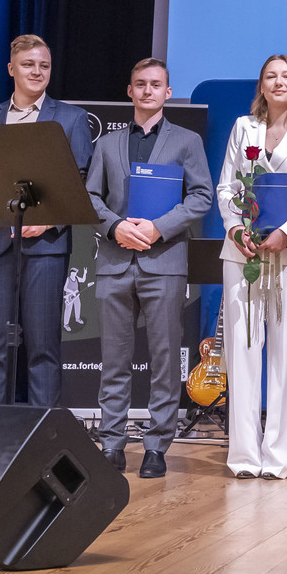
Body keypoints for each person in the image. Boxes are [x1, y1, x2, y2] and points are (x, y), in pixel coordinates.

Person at [86, 58, 213, 477]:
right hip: (116, 261)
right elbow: (90, 197)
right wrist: (116, 226)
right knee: (114, 360)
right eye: (140, 84)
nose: (147, 91)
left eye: (156, 84)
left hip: (164, 261)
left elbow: (201, 196)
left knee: (164, 358)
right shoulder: (107, 144)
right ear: (130, 91)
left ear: (167, 92)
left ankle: (157, 446)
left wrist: (159, 228)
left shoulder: (187, 141)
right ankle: (111, 443)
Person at [0, 35, 93, 408]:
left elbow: (82, 180)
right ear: (11, 68)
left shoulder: (72, 119)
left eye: (44, 65)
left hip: (46, 246)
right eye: (29, 64)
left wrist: (47, 220)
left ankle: (41, 433)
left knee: (43, 347)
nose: (37, 71)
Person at [216, 53, 287, 479]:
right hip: (243, 252)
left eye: (286, 76)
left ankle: (278, 457)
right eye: (271, 75)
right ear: (261, 85)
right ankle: (244, 456)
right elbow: (227, 187)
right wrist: (235, 229)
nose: (279, 81)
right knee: (242, 352)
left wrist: (286, 232)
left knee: (285, 354)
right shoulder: (242, 127)